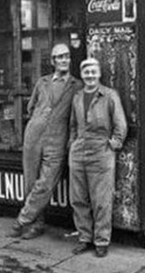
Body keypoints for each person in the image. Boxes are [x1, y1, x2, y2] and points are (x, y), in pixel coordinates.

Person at [7, 43, 82, 239]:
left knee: (46, 183)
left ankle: (22, 220)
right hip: (34, 136)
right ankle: (37, 224)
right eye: (59, 57)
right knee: (31, 182)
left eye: (66, 56)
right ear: (53, 61)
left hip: (58, 139)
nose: (64, 60)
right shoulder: (42, 82)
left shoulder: (77, 86)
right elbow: (31, 108)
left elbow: (78, 116)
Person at [68, 58, 128, 258]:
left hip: (101, 151)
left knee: (101, 200)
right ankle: (85, 238)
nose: (90, 75)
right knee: (78, 198)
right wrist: (72, 144)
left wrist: (115, 143)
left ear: (99, 73)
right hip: (78, 152)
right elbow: (73, 125)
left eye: (93, 72)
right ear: (82, 75)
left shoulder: (109, 95)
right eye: (86, 72)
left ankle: (101, 241)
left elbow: (121, 124)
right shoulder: (77, 97)